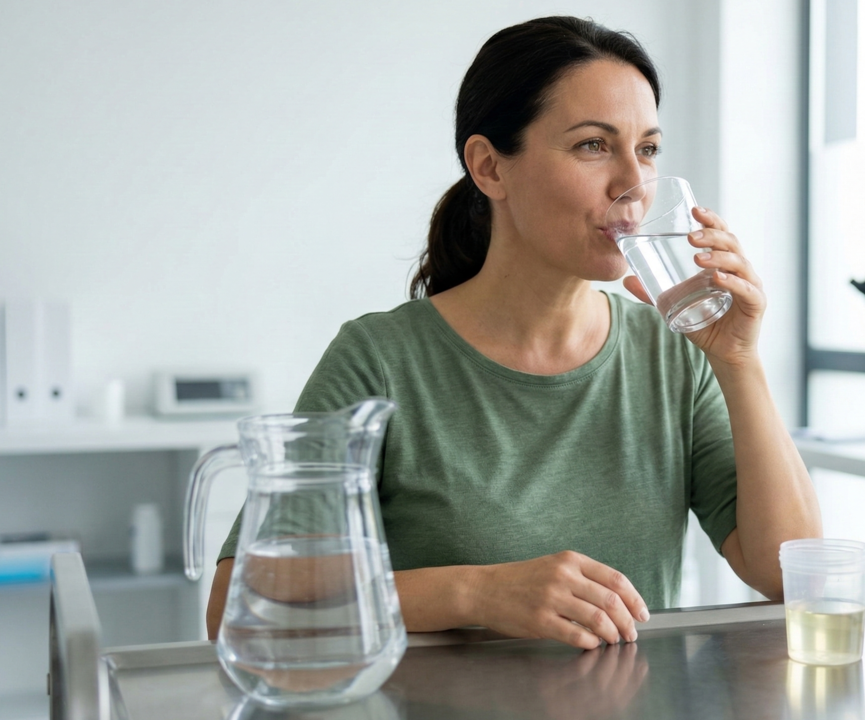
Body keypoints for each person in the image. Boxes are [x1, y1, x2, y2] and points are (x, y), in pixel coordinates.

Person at [206, 15, 822, 650]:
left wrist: (739, 358)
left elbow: (789, 574)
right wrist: (474, 593)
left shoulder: (673, 352)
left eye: (647, 149)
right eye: (592, 146)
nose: (633, 187)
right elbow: (238, 606)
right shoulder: (380, 360)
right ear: (490, 168)